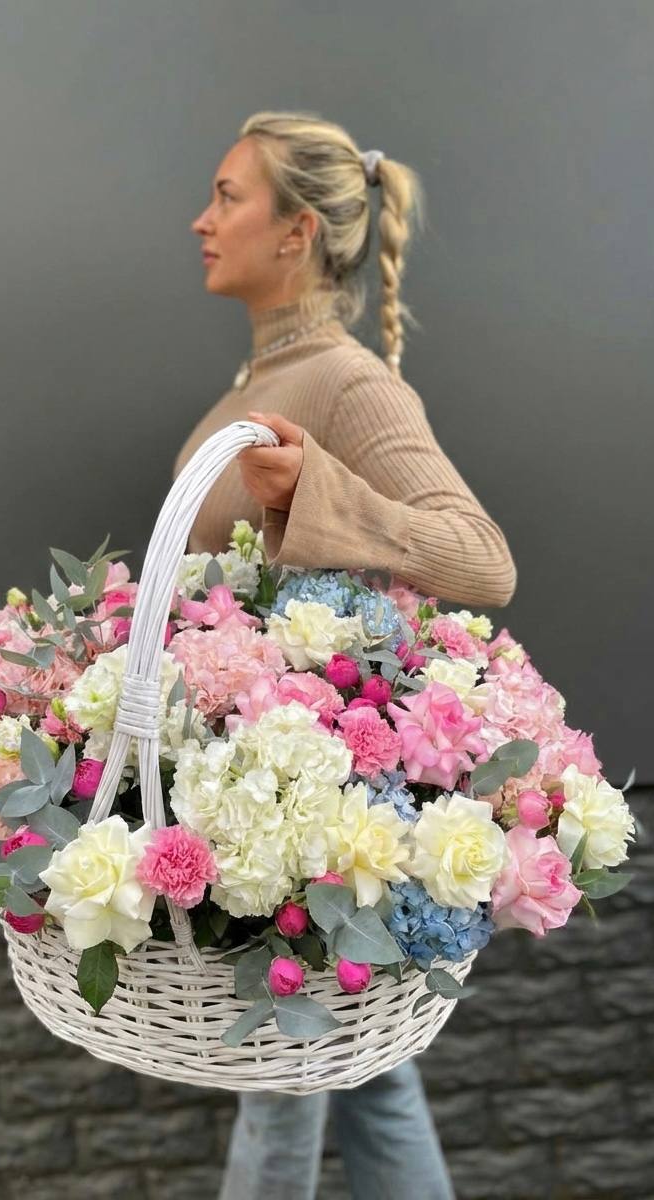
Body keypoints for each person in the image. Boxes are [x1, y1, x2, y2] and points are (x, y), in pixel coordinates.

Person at [173, 110, 518, 1200]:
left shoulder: (346, 382)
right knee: (363, 1076)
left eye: (227, 196)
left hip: (300, 818)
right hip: (255, 795)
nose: (201, 219)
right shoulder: (252, 388)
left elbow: (481, 560)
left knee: (281, 1078)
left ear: (297, 231)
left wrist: (320, 489)